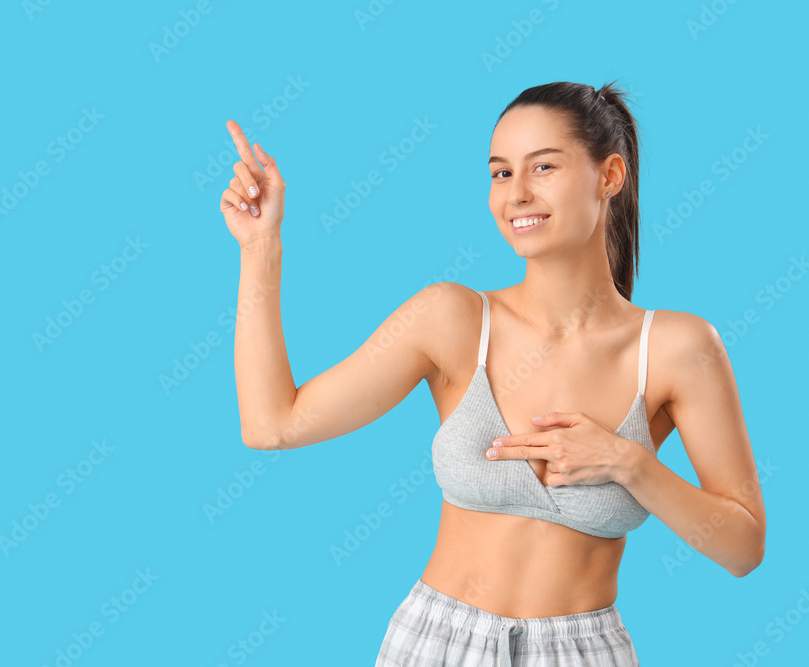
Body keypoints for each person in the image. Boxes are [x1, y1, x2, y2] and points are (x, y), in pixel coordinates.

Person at [220, 80, 766, 666]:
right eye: (501, 173)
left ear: (610, 176)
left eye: (544, 167)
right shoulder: (451, 319)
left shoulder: (677, 348)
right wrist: (260, 247)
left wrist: (629, 463)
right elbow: (272, 424)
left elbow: (743, 548)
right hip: (438, 645)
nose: (518, 194)